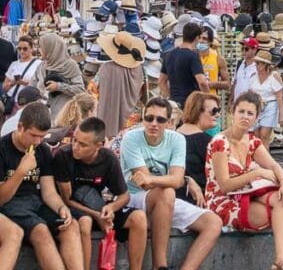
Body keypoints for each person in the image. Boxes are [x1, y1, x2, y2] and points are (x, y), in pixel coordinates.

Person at [120, 95, 222, 270]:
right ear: (142, 119)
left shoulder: (177, 139)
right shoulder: (132, 138)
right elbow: (144, 183)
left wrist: (158, 179)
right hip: (133, 198)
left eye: (160, 119)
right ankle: (160, 265)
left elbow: (173, 179)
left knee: (213, 222)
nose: (154, 123)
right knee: (167, 192)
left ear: (168, 122)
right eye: (149, 118)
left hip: (164, 199)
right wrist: (172, 181)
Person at [205, 90, 283, 270]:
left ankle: (281, 261)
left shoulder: (252, 141)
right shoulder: (219, 142)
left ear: (256, 117)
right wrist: (256, 174)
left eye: (250, 113)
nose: (245, 117)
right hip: (222, 200)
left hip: (247, 193)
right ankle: (281, 263)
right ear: (232, 112)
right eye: (241, 112)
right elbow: (224, 186)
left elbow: (274, 166)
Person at [54, 115, 147, 270]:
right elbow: (66, 199)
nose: (75, 146)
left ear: (99, 145)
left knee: (139, 218)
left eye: (82, 144)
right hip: (74, 208)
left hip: (97, 204)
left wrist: (111, 208)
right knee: (85, 222)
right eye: (74, 140)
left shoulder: (108, 158)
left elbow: (124, 196)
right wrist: (97, 215)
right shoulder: (64, 156)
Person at [0, 99, 84, 269]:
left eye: (42, 136)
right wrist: (21, 171)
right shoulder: (3, 148)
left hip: (34, 202)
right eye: (33, 135)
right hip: (11, 204)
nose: (37, 141)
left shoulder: (42, 150)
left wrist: (61, 208)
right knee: (40, 230)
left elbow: (49, 192)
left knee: (70, 225)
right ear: (20, 127)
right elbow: (2, 199)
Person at [96, 30, 146, 139]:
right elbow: (144, 97)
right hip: (132, 121)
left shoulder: (105, 69)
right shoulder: (141, 69)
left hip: (107, 121)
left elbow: (92, 94)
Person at [177, 91, 221, 205]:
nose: (218, 115)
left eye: (218, 111)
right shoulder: (206, 140)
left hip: (176, 197)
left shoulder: (173, 135)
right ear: (197, 111)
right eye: (214, 111)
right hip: (201, 201)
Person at [35, 33, 85, 119]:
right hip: (43, 118)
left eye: (41, 47)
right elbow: (33, 85)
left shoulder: (70, 65)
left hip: (64, 118)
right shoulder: (42, 66)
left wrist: (59, 86)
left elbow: (80, 90)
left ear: (50, 47)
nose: (39, 49)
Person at [159, 23, 209, 108]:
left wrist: (168, 99)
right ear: (196, 38)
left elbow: (161, 81)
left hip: (174, 104)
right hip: (191, 104)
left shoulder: (169, 55)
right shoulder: (193, 56)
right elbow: (202, 82)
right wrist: (207, 99)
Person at [251, 50, 283, 151]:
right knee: (256, 136)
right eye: (256, 63)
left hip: (270, 106)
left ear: (266, 64)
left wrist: (281, 115)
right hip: (257, 106)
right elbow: (250, 93)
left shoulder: (274, 76)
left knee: (264, 136)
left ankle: (265, 163)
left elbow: (279, 96)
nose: (256, 65)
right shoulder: (254, 77)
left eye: (259, 63)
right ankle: (259, 160)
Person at [2, 35, 42, 107]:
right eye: (19, 49)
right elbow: (4, 89)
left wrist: (27, 84)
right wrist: (12, 83)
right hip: (12, 102)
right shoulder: (14, 64)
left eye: (25, 49)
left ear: (31, 48)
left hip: (28, 104)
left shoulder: (39, 64)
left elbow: (41, 89)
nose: (21, 51)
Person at [198, 26, 230, 95]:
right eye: (199, 38)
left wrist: (212, 84)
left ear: (210, 41)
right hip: (195, 99)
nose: (200, 41)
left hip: (211, 99)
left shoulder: (218, 58)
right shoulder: (191, 56)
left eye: (204, 38)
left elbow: (227, 84)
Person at [232, 36, 259, 101]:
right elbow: (235, 83)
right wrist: (230, 101)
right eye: (242, 49)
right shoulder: (239, 63)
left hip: (250, 104)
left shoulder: (258, 66)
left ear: (254, 50)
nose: (244, 51)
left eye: (246, 49)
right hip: (237, 103)